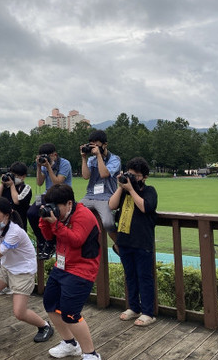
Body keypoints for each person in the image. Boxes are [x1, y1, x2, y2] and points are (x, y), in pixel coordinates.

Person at [0, 197, 54, 350]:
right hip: (6, 266)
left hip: (22, 271)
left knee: (19, 312)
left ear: (7, 214)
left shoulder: (15, 232)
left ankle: (45, 326)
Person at [39, 184, 102, 360]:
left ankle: (91, 354)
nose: (53, 210)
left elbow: (76, 240)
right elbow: (48, 237)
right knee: (50, 303)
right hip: (62, 266)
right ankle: (69, 343)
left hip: (82, 269)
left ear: (68, 203)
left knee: (70, 313)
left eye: (55, 206)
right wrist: (44, 220)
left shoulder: (84, 215)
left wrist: (56, 224)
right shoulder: (59, 216)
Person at [108, 157, 158, 327]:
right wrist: (121, 188)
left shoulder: (149, 191)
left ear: (144, 177)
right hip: (124, 241)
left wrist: (132, 189)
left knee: (144, 277)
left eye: (136, 176)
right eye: (130, 174)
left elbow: (145, 207)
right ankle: (133, 307)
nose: (132, 178)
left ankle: (148, 313)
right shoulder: (124, 192)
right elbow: (112, 205)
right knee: (130, 276)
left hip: (142, 242)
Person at [27, 143, 72, 259]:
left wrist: (48, 167)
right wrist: (38, 167)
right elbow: (39, 182)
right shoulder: (43, 165)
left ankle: (52, 242)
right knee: (32, 213)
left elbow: (58, 183)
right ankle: (43, 241)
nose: (45, 158)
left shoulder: (65, 164)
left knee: (53, 215)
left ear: (54, 155)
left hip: (62, 194)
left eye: (47, 156)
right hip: (48, 195)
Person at [80, 129, 121, 253]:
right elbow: (85, 176)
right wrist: (83, 158)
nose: (94, 148)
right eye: (91, 145)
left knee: (108, 223)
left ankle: (121, 246)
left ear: (105, 145)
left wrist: (99, 156)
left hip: (106, 197)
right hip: (89, 196)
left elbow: (104, 174)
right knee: (73, 213)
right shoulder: (91, 160)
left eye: (96, 145)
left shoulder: (115, 159)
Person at [0, 161, 32, 231]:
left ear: (23, 177)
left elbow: (17, 201)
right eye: (12, 175)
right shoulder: (6, 187)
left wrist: (12, 185)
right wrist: (2, 184)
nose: (13, 178)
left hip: (19, 225)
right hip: (4, 224)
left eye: (16, 176)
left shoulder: (26, 188)